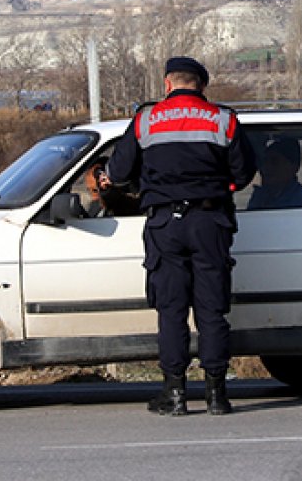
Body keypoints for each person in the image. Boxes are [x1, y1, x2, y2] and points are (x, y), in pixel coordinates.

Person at [100, 56, 256, 416]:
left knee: (171, 309)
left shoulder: (146, 119)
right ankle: (217, 395)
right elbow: (244, 172)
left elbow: (120, 171)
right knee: (212, 309)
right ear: (202, 86)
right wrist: (220, 187)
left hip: (164, 224)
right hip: (209, 221)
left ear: (167, 84)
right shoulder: (224, 119)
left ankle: (174, 394)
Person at [247, 137, 302, 209]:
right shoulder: (260, 196)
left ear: (293, 167)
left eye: (274, 162)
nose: (266, 167)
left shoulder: (301, 203)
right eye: (265, 161)